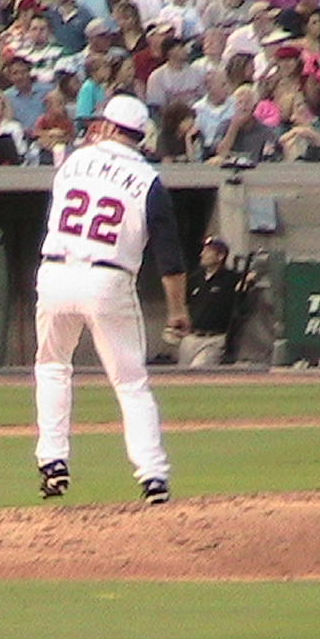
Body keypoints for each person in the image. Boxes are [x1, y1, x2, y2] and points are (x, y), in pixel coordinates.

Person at [34, 94, 189, 505]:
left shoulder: (72, 162)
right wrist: (177, 308)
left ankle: (52, 461)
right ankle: (152, 475)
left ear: (107, 126)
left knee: (52, 366)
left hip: (54, 272)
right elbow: (169, 254)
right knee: (130, 382)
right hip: (107, 278)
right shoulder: (148, 179)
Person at [176, 236, 239, 369]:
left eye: (208, 251)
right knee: (182, 376)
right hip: (191, 338)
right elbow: (184, 303)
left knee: (199, 371)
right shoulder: (195, 278)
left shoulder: (230, 278)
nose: (202, 254)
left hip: (214, 339)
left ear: (220, 256)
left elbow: (251, 278)